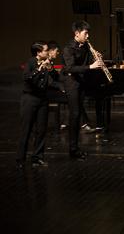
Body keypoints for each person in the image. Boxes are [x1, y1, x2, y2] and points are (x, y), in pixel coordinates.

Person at [62, 21, 103, 160]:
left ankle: (75, 149)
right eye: (85, 33)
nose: (88, 36)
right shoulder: (68, 48)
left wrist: (97, 57)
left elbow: (89, 61)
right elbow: (70, 68)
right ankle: (73, 150)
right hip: (71, 84)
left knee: (78, 115)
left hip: (81, 83)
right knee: (74, 115)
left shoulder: (86, 46)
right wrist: (91, 67)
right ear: (77, 33)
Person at [16, 41, 59, 168]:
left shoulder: (48, 62)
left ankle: (37, 157)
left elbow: (55, 78)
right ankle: (20, 159)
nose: (48, 52)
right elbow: (28, 78)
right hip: (29, 99)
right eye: (46, 50)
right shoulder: (31, 62)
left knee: (41, 130)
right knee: (26, 129)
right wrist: (39, 69)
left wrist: (50, 69)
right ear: (38, 53)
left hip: (42, 99)